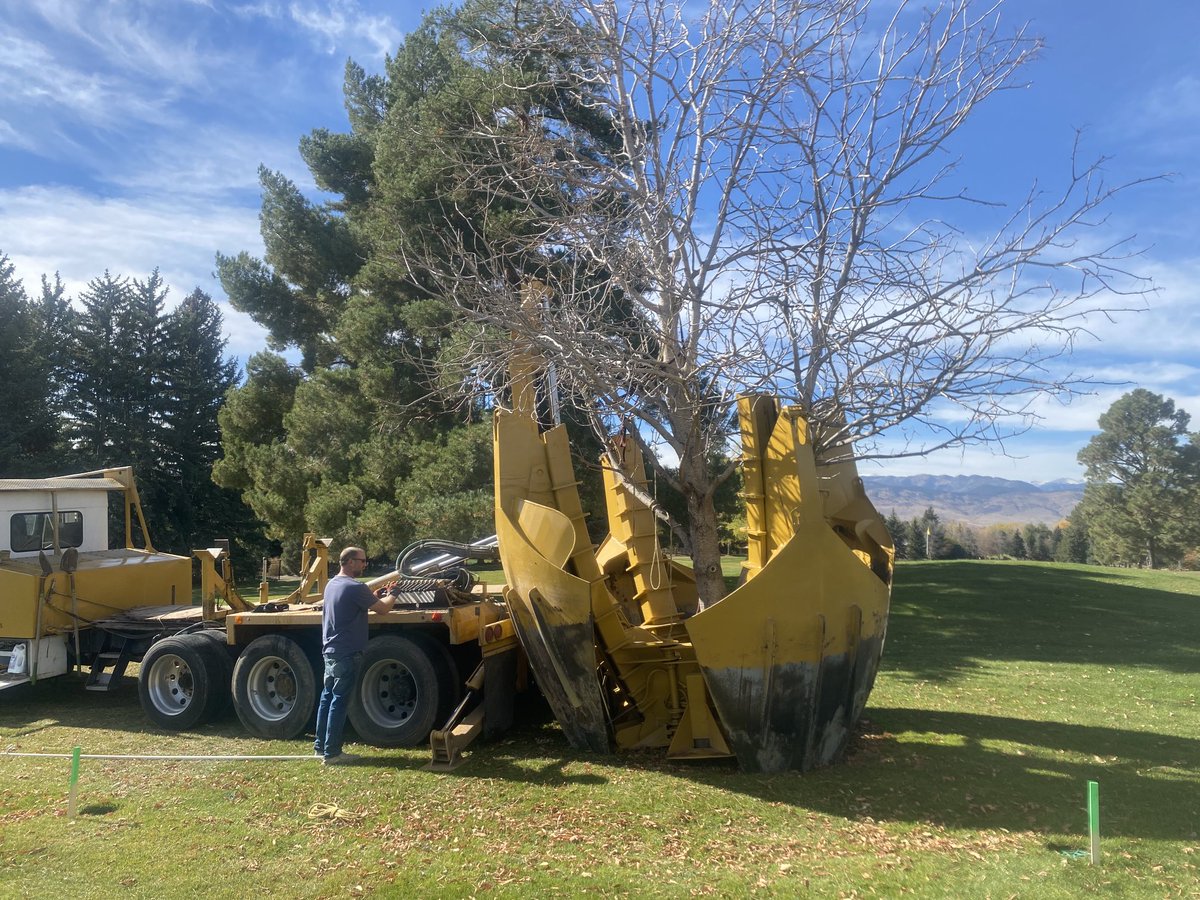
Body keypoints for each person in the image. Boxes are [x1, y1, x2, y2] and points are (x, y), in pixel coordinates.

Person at [313, 546, 397, 765]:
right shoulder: (354, 587)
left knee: (327, 697)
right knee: (339, 701)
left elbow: (353, 605)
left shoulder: (332, 584)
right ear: (350, 561)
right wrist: (394, 594)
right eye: (362, 561)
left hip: (331, 651)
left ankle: (320, 747)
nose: (364, 564)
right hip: (348, 653)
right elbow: (383, 610)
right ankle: (332, 754)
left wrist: (373, 596)